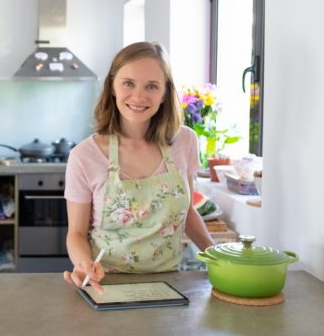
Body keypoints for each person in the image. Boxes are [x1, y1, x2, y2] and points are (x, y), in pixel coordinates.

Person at [63, 41, 215, 293]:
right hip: (106, 286)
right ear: (112, 86)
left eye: (152, 86)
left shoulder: (184, 142)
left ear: (165, 92)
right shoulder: (84, 156)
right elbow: (76, 234)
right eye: (128, 83)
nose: (138, 96)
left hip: (170, 286)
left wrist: (220, 258)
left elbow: (187, 213)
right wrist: (83, 264)